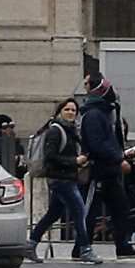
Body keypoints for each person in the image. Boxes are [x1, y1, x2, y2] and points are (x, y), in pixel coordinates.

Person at [77, 75, 135, 260]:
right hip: (98, 171)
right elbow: (98, 144)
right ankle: (81, 247)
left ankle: (123, 245)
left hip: (109, 170)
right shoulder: (95, 115)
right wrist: (118, 158)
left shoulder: (104, 113)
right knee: (89, 211)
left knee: (121, 209)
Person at [28, 98, 86, 259]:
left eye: (73, 110)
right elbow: (50, 157)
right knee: (80, 212)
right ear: (60, 111)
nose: (70, 113)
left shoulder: (72, 131)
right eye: (67, 109)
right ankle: (85, 249)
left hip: (67, 177)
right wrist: (74, 161)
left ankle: (31, 243)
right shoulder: (55, 130)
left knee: (53, 214)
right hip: (60, 179)